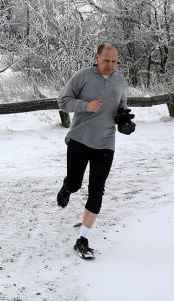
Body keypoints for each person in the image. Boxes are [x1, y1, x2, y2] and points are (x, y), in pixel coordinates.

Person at [55, 42, 135, 259]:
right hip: (80, 138)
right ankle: (67, 187)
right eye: (106, 60)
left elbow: (121, 108)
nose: (110, 65)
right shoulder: (82, 76)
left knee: (97, 190)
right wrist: (85, 106)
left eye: (114, 61)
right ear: (97, 57)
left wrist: (124, 122)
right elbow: (63, 101)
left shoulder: (120, 81)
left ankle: (83, 238)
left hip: (105, 142)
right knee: (75, 182)